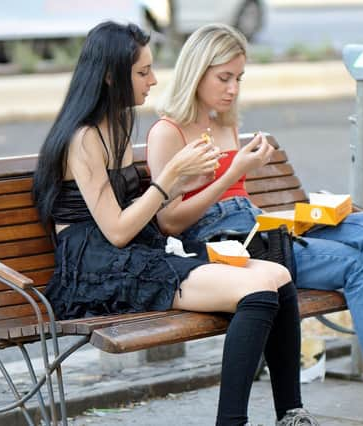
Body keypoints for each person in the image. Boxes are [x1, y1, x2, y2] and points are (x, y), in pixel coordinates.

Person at [146, 23, 363, 426]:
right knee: (357, 265)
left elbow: (242, 202)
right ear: (197, 71)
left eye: (239, 78)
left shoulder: (224, 122)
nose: (233, 89)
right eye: (224, 78)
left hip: (263, 227)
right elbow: (168, 222)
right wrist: (232, 172)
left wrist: (294, 210)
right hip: (230, 251)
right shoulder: (166, 133)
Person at [32, 21, 319, 426]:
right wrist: (169, 182)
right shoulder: (83, 139)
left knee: (277, 275)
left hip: (129, 252)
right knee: (255, 289)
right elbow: (116, 229)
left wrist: (187, 178)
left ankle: (290, 413)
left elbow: (137, 221)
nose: (153, 80)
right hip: (97, 266)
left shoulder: (115, 126)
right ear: (112, 75)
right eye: (143, 71)